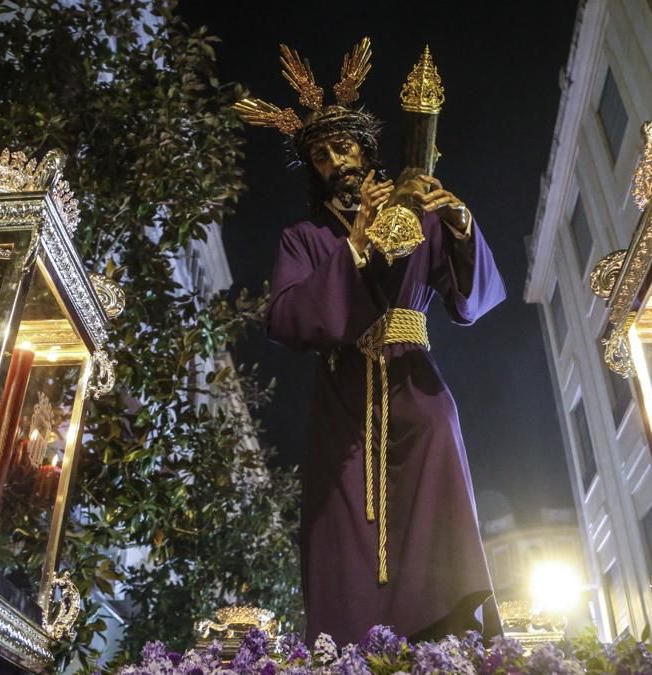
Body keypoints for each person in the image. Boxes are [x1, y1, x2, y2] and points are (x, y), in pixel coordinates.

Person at [235, 40, 506, 646]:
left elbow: (472, 301)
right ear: (314, 167)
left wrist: (460, 223)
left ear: (368, 150)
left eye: (345, 145)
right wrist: (354, 250)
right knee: (341, 527)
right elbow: (287, 318)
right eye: (323, 153)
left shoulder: (419, 216)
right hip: (343, 401)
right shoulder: (304, 238)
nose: (337, 159)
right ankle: (349, 652)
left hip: (416, 387)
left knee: (437, 486)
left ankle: (447, 638)